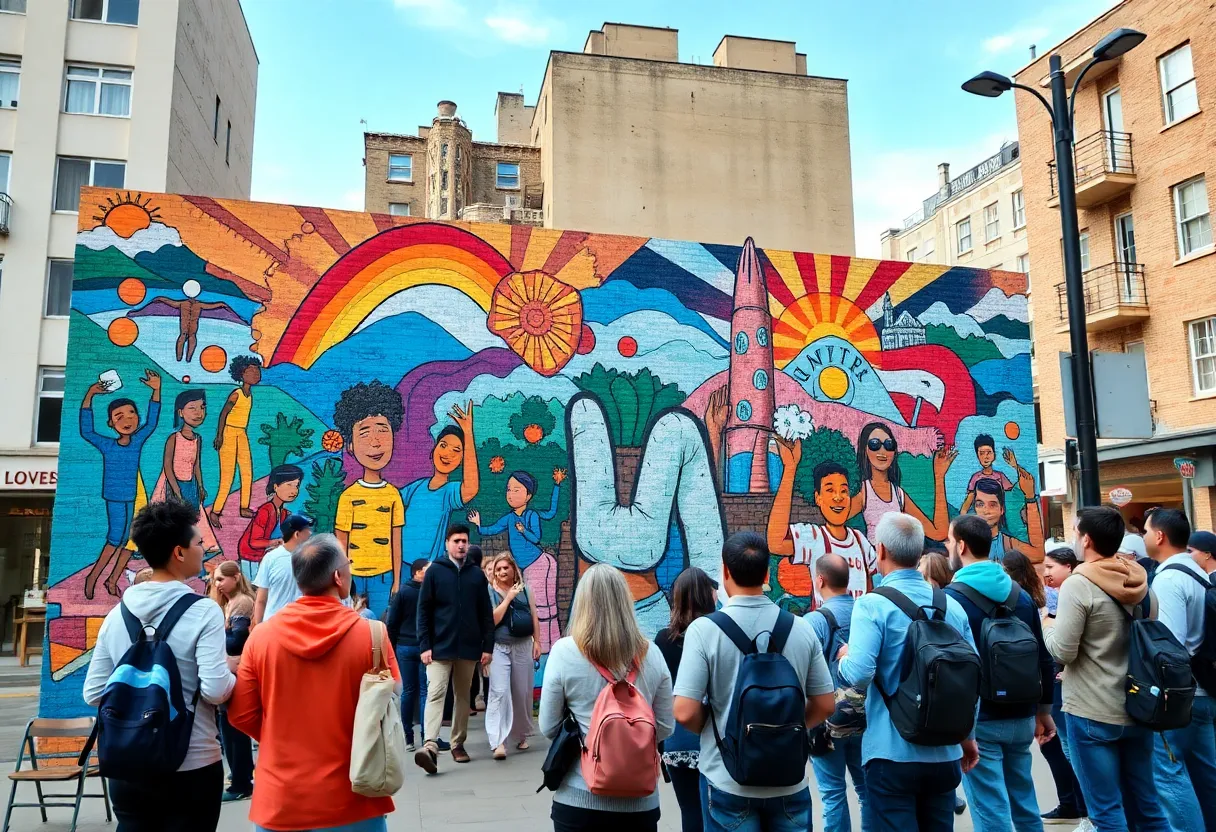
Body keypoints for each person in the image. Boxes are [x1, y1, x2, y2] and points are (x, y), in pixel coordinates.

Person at [227, 533, 400, 832]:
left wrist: (280, 737)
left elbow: (241, 713)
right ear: (338, 577)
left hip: (281, 799)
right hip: (354, 797)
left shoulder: (261, 638)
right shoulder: (371, 635)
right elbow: (392, 694)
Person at [83, 500, 235, 830]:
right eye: (198, 543)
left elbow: (94, 692)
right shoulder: (204, 611)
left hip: (127, 764)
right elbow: (216, 690)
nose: (204, 548)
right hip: (191, 763)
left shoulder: (115, 616)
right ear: (179, 553)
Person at [673, 532, 836, 832]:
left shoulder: (704, 631)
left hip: (727, 780)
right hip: (789, 783)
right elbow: (826, 703)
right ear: (766, 574)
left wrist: (718, 729)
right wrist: (784, 730)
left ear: (725, 572)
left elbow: (683, 710)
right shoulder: (801, 628)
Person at [837, 513, 980, 831]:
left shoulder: (872, 605)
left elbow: (859, 674)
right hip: (944, 753)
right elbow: (972, 680)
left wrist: (844, 657)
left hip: (891, 754)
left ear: (882, 551)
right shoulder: (951, 606)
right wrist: (967, 738)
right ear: (919, 552)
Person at [1043, 506, 1169, 831]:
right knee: (1147, 808)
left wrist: (1047, 625)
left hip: (1092, 711)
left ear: (1085, 539)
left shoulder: (1078, 583)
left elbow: (1063, 650)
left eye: (1074, 531)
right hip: (1139, 707)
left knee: (1106, 812)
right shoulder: (1141, 581)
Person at [539, 563, 674, 832]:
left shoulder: (564, 652)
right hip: (641, 803)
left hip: (579, 798)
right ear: (626, 601)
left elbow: (548, 726)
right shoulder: (653, 654)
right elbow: (666, 727)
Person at [944, 515, 1055, 832]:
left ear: (962, 546)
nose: (948, 546)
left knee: (990, 809)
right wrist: (1044, 710)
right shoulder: (1020, 595)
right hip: (1022, 714)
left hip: (981, 720)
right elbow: (1043, 657)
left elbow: (954, 668)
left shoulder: (952, 600)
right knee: (1025, 802)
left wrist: (960, 729)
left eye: (950, 541)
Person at [1143, 508, 1216, 831]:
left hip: (1178, 697)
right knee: (1206, 776)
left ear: (1159, 536)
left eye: (1146, 531)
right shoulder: (1197, 573)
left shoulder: (1170, 578)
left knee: (1169, 776)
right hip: (1202, 690)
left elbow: (1169, 646)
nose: (1144, 537)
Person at [415, 523, 494, 771]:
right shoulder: (436, 572)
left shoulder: (476, 575)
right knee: (436, 692)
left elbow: (485, 614)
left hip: (469, 648)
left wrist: (487, 646)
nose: (461, 545)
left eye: (464, 541)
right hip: (438, 648)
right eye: (456, 541)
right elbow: (424, 611)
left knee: (463, 697)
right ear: (447, 543)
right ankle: (430, 745)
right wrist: (425, 645)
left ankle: (458, 744)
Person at [80, 368, 163, 599]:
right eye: (119, 417)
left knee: (132, 538)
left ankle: (112, 578)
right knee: (115, 538)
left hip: (132, 496)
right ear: (110, 423)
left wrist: (156, 391)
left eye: (131, 414)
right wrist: (89, 395)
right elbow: (86, 431)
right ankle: (93, 577)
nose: (127, 420)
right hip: (115, 497)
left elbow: (152, 423)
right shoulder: (108, 445)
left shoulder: (137, 441)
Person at [469, 467, 565, 652]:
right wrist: (479, 524)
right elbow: (491, 529)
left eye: (516, 490)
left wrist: (523, 531)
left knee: (544, 606)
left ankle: (550, 645)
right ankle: (539, 644)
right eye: (508, 489)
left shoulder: (531, 515)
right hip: (526, 567)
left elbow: (536, 537)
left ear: (528, 495)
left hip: (540, 564)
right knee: (533, 606)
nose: (511, 494)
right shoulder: (509, 518)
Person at [767, 444, 877, 605]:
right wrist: (790, 468)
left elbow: (871, 587)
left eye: (844, 491)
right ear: (818, 498)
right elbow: (775, 543)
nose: (838, 497)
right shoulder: (814, 537)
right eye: (830, 490)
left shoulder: (860, 541)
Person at [805, 553, 867, 832]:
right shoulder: (867, 611)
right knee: (867, 792)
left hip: (826, 722)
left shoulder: (813, 622)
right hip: (867, 718)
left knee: (832, 794)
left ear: (820, 580)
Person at [333, 381, 406, 618]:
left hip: (383, 576)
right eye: (365, 433)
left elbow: (397, 541)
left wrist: (396, 580)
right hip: (353, 574)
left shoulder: (393, 494)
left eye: (383, 430)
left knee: (379, 628)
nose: (375, 442)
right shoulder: (348, 496)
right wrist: (341, 578)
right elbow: (341, 543)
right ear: (351, 446)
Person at [653, 567, 716, 832]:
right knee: (717, 810)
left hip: (677, 735)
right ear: (706, 596)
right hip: (714, 734)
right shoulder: (718, 634)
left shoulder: (663, 639)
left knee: (689, 809)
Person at [1038, 547, 1088, 826]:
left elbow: (1063, 649)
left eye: (1050, 567)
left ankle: (1089, 814)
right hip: (1069, 684)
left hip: (1077, 687)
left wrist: (1046, 623)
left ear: (1069, 566)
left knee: (1075, 752)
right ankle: (1083, 810)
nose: (1046, 573)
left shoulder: (1071, 594)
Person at [849, 422, 955, 544]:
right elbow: (835, 519)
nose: (882, 451)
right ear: (865, 450)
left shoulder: (898, 495)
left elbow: (938, 532)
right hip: (875, 559)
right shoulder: (864, 491)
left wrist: (939, 475)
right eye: (875, 444)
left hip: (898, 559)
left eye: (889, 444)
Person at [400, 403, 479, 562]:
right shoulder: (416, 487)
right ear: (434, 449)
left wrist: (468, 433)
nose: (447, 454)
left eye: (456, 451)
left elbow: (471, 488)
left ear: (462, 460)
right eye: (443, 445)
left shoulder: (449, 492)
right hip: (398, 564)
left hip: (425, 569)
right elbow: (390, 501)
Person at [485, 553, 541, 760]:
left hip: (523, 645)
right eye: (498, 569)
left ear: (513, 569)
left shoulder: (525, 590)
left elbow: (534, 616)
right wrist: (508, 599)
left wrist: (538, 642)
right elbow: (493, 619)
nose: (501, 572)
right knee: (499, 692)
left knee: (522, 691)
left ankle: (520, 734)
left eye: (505, 568)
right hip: (500, 646)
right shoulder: (490, 590)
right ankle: (498, 741)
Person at [208, 559, 255, 802]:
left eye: (220, 579)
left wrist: (212, 645)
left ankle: (241, 782)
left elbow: (236, 640)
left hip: (238, 672)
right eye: (215, 580)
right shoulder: (230, 604)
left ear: (236, 577)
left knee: (233, 727)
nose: (217, 584)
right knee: (229, 726)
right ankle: (240, 776)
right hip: (232, 670)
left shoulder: (242, 603)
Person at [151, 389, 219, 553]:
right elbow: (167, 466)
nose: (198, 413)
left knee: (194, 513)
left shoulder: (198, 439)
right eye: (192, 408)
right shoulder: (174, 438)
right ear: (180, 412)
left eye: (202, 407)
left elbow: (196, 465)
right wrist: (176, 489)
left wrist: (200, 486)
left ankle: (201, 543)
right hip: (171, 483)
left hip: (189, 483)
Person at [209, 355, 261, 528]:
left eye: (257, 370)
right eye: (251, 370)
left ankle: (244, 507)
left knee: (247, 471)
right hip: (229, 432)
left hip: (241, 434)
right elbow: (223, 413)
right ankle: (215, 511)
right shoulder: (237, 394)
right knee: (228, 475)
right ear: (241, 373)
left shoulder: (249, 394)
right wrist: (219, 435)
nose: (255, 373)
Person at [387, 558, 430, 751]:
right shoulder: (430, 592)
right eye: (427, 570)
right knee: (424, 693)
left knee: (409, 692)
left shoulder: (402, 592)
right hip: (424, 647)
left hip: (404, 647)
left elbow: (392, 623)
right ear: (417, 572)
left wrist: (392, 649)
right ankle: (426, 737)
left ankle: (408, 737)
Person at [237, 464, 303, 583]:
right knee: (254, 590)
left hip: (265, 557)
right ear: (275, 486)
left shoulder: (284, 513)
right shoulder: (265, 511)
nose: (294, 491)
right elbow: (253, 542)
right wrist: (274, 542)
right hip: (251, 557)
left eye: (296, 486)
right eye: (289, 485)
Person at [251, 513, 313, 625]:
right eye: (307, 530)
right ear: (297, 534)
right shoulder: (271, 558)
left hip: (301, 626)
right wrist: (258, 628)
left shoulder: (311, 559)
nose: (310, 533)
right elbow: (261, 599)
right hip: (274, 625)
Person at [971, 476, 1045, 563]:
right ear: (975, 508)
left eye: (992, 505)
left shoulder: (1007, 543)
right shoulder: (967, 543)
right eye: (980, 504)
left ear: (1001, 509)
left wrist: (1030, 497)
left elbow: (1038, 555)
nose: (986, 511)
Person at [960, 435, 1016, 514]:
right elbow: (969, 500)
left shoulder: (1000, 476)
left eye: (989, 453)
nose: (986, 457)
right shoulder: (976, 478)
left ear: (994, 455)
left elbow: (1012, 495)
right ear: (977, 456)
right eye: (982, 453)